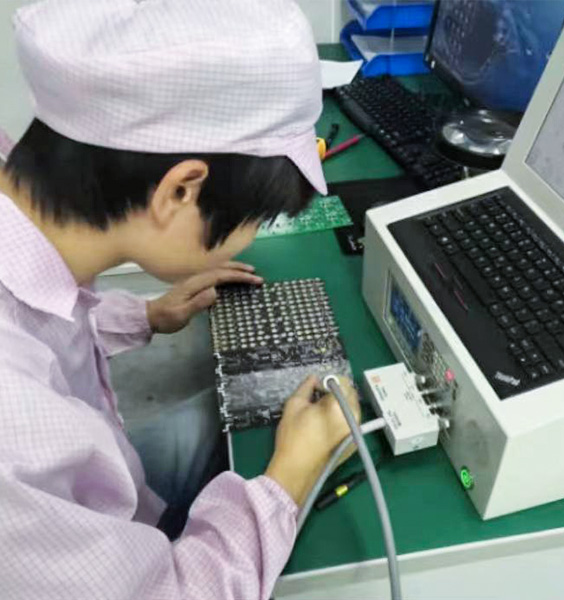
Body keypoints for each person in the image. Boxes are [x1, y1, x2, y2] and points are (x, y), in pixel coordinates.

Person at [0, 1, 360, 598]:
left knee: (215, 418)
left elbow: (39, 315)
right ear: (181, 191)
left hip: (104, 475)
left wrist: (141, 315)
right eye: (255, 219)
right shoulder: (13, 439)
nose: (250, 235)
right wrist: (289, 478)